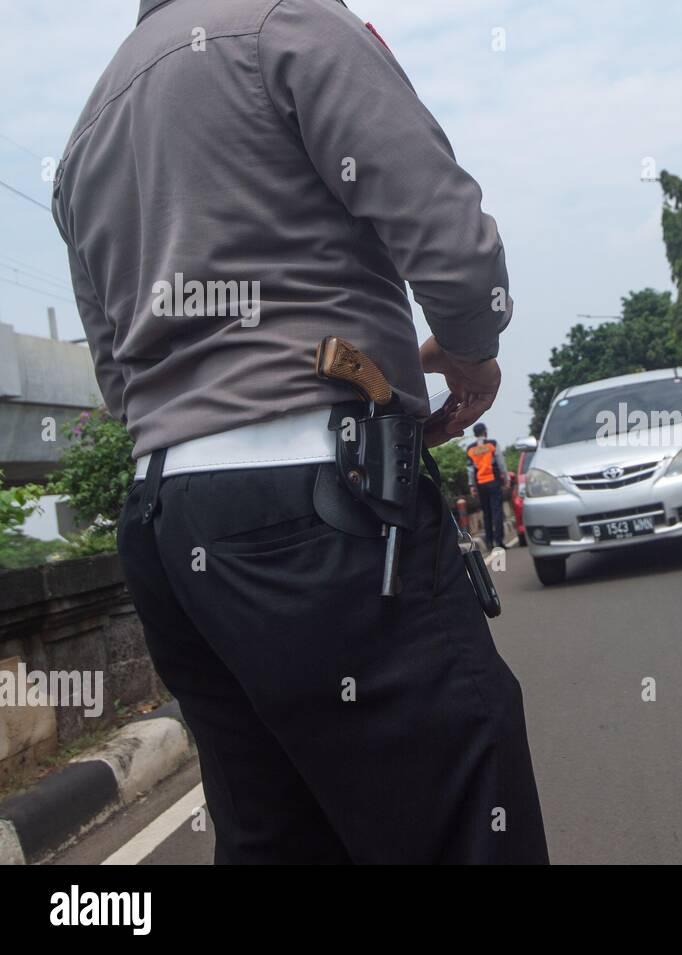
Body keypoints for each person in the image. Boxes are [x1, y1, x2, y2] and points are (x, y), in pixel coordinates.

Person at [51, 0, 547, 863]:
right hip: (322, 508)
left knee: (274, 833)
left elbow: (120, 378)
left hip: (170, 532)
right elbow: (456, 250)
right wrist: (470, 353)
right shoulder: (285, 24)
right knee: (466, 809)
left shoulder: (87, 131)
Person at [466, 422, 508, 552]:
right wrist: (506, 479)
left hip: (480, 484)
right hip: (493, 481)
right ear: (485, 432)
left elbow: (470, 470)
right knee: (497, 511)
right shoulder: (492, 444)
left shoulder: (470, 449)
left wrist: (472, 486)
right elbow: (501, 463)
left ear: (474, 434)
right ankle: (499, 541)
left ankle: (489, 542)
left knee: (486, 513)